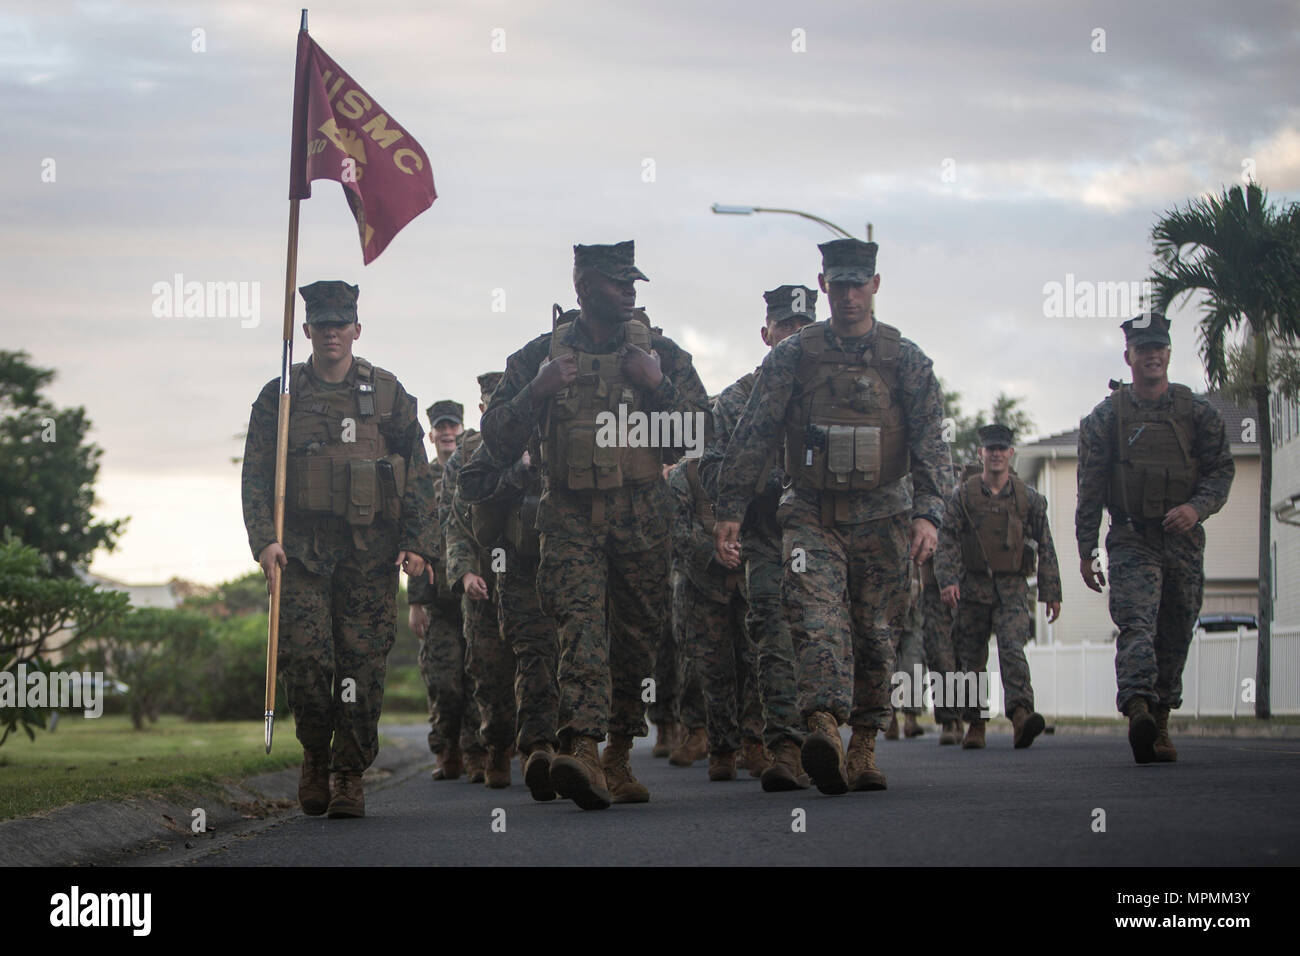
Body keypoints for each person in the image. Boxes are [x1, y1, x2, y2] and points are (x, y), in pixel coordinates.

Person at [713, 240, 951, 795]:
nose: (848, 294)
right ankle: (821, 727)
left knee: (875, 634)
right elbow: (754, 435)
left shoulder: (905, 360)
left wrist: (929, 515)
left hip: (884, 517)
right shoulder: (795, 356)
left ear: (875, 285)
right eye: (838, 284)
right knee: (815, 621)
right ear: (824, 285)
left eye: (857, 284)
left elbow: (932, 445)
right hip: (811, 514)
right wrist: (730, 511)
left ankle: (864, 744)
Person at [481, 240, 709, 810]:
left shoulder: (661, 355)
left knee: (636, 638)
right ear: (584, 290)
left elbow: (700, 436)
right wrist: (537, 391)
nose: (630, 292)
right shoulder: (539, 356)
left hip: (643, 513)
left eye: (633, 282)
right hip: (569, 517)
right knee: (579, 629)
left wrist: (657, 385)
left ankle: (619, 757)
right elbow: (496, 440)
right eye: (617, 283)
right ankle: (580, 748)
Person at [242, 280, 436, 818]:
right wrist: (265, 541)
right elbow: (256, 474)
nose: (331, 333)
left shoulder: (390, 394)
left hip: (369, 554)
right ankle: (313, 757)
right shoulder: (280, 397)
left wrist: (418, 544)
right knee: (305, 659)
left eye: (340, 324)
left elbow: (417, 474)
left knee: (361, 665)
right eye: (321, 324)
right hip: (301, 553)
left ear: (356, 329)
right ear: (306, 330)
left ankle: (348, 772)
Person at [1076, 312, 1234, 764]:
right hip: (1131, 537)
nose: (1151, 356)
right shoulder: (1108, 417)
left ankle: (1160, 718)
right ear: (1129, 356)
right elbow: (1090, 485)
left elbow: (1221, 469)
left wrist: (1196, 508)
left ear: (1168, 354)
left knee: (1176, 628)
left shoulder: (1197, 412)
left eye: (1158, 349)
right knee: (1137, 624)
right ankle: (1139, 707)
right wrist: (1086, 550)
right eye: (1142, 350)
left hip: (1182, 540)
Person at [699, 284, 817, 790]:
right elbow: (708, 470)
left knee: (822, 638)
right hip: (767, 535)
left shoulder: (828, 397)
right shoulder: (734, 402)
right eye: (786, 327)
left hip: (821, 537)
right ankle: (785, 746)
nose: (794, 336)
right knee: (771, 636)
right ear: (766, 334)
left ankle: (833, 739)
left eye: (803, 327)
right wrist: (761, 488)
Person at [458, 377, 563, 802]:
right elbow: (469, 497)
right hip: (515, 567)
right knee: (516, 661)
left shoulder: (564, 428)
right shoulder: (496, 447)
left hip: (567, 560)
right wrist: (519, 472)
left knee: (560, 656)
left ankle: (558, 746)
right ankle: (515, 745)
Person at [935, 424, 1061, 749]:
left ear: (1010, 453)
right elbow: (946, 538)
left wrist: (1051, 592)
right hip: (972, 587)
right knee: (971, 659)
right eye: (990, 449)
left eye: (1001, 449)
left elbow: (1045, 543)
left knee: (1011, 649)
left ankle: (1021, 715)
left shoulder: (1027, 498)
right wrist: (947, 581)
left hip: (1012, 589)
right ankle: (974, 724)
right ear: (981, 453)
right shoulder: (963, 497)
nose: (995, 454)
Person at [667, 452, 764, 781]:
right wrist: (713, 553)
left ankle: (755, 742)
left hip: (749, 579)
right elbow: (676, 527)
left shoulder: (752, 466)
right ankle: (721, 748)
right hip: (703, 585)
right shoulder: (686, 474)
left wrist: (743, 553)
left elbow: (767, 518)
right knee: (713, 669)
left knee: (756, 662)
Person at [443, 372, 514, 788]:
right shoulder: (463, 460)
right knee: (488, 674)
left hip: (527, 581)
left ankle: (542, 746)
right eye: (490, 404)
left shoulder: (537, 446)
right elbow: (453, 525)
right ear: (482, 409)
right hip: (482, 585)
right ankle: (498, 749)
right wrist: (465, 572)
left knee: (540, 668)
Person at [407, 399, 484, 781]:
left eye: (454, 426)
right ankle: (445, 748)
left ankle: (474, 752)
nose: (448, 432)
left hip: (472, 593)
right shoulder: (421, 479)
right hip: (437, 600)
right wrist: (416, 601)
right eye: (441, 427)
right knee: (443, 679)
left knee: (476, 676)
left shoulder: (471, 471)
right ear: (432, 433)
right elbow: (416, 542)